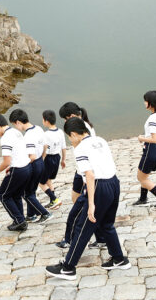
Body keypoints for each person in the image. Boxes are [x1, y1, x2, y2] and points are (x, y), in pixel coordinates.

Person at [45, 118, 131, 280]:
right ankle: (119, 259)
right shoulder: (101, 140)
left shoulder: (80, 149)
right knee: (106, 224)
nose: (70, 141)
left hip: (99, 186)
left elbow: (90, 175)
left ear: (74, 134)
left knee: (82, 228)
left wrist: (91, 203)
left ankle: (68, 268)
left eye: (69, 137)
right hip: (113, 182)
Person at [56, 102, 103, 250]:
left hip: (85, 172)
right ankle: (97, 235)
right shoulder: (83, 125)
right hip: (80, 171)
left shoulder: (82, 128)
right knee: (76, 200)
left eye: (65, 118)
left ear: (71, 116)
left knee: (78, 208)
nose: (65, 122)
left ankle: (72, 238)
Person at [9, 109, 53, 223]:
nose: (15, 127)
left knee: (26, 194)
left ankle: (45, 213)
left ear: (18, 122)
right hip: (40, 162)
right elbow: (45, 146)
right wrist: (42, 159)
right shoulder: (38, 128)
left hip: (33, 164)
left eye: (14, 125)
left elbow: (31, 156)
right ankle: (30, 214)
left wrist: (21, 164)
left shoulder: (28, 136)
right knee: (31, 190)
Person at [0, 113, 32, 231]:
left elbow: (6, 161)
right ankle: (20, 219)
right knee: (16, 195)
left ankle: (19, 220)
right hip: (27, 167)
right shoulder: (15, 132)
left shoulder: (5, 138)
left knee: (3, 195)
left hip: (18, 170)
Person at [40, 110, 65, 209]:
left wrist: (41, 160)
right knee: (49, 180)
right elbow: (63, 147)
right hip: (57, 157)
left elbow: (45, 149)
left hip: (48, 159)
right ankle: (53, 203)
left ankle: (54, 199)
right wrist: (63, 160)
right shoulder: (60, 132)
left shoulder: (46, 134)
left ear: (46, 121)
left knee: (41, 182)